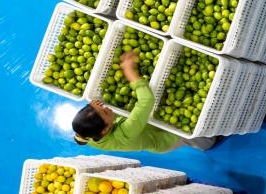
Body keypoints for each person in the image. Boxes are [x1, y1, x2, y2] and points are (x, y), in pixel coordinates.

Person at [72, 51, 216, 153]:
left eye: (93, 107)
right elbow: (147, 100)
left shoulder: (88, 135)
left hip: (145, 124)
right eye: (104, 112)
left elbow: (95, 120)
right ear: (104, 130)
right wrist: (130, 72)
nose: (107, 108)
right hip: (163, 138)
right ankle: (208, 143)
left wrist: (96, 108)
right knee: (190, 135)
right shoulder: (123, 135)